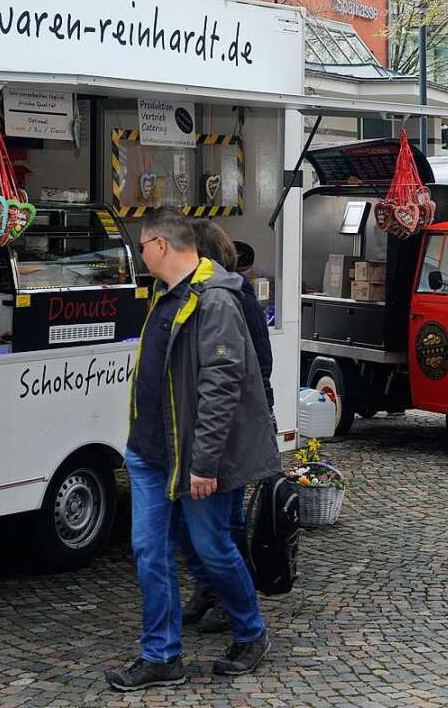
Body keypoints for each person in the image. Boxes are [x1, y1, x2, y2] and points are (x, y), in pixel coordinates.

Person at [105, 209, 278, 691]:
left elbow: (221, 387)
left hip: (197, 458)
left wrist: (204, 463)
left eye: (142, 246)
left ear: (161, 245)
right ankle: (161, 655)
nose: (139, 255)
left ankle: (251, 631)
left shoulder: (215, 299)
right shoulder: (166, 294)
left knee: (212, 547)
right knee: (149, 551)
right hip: (149, 452)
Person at [181, 220, 274, 634]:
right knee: (209, 525)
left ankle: (230, 599)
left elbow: (256, 362)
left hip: (235, 424)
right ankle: (211, 590)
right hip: (222, 423)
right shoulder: (205, 293)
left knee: (226, 523)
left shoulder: (231, 295)